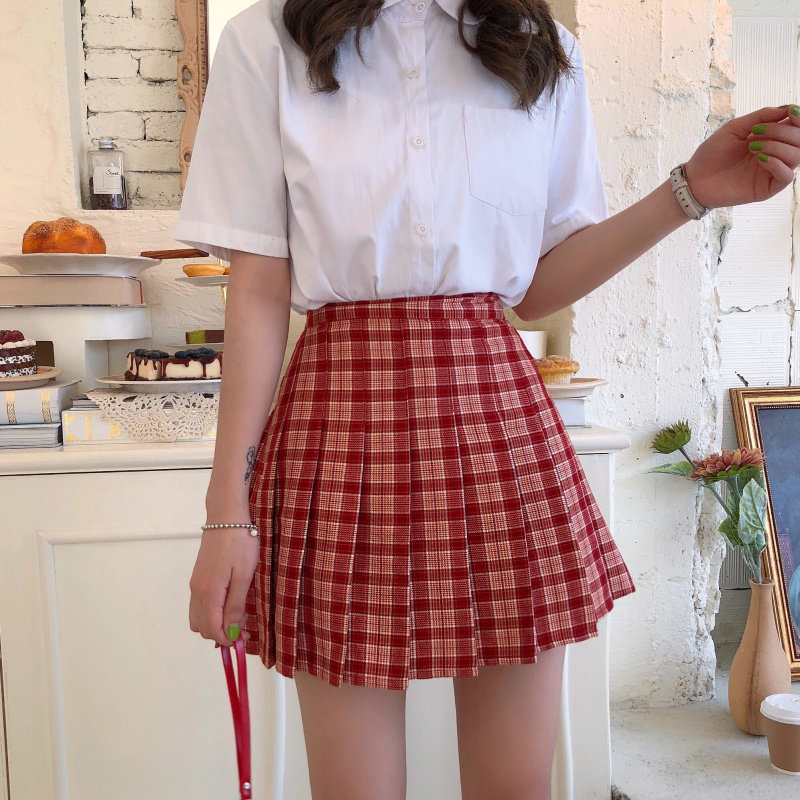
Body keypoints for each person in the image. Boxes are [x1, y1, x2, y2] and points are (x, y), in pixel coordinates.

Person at [174, 0, 800, 797]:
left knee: (515, 787)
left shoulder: (540, 48)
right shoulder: (269, 39)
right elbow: (258, 290)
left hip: (498, 422)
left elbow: (537, 288)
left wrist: (690, 191)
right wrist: (225, 515)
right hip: (339, 424)